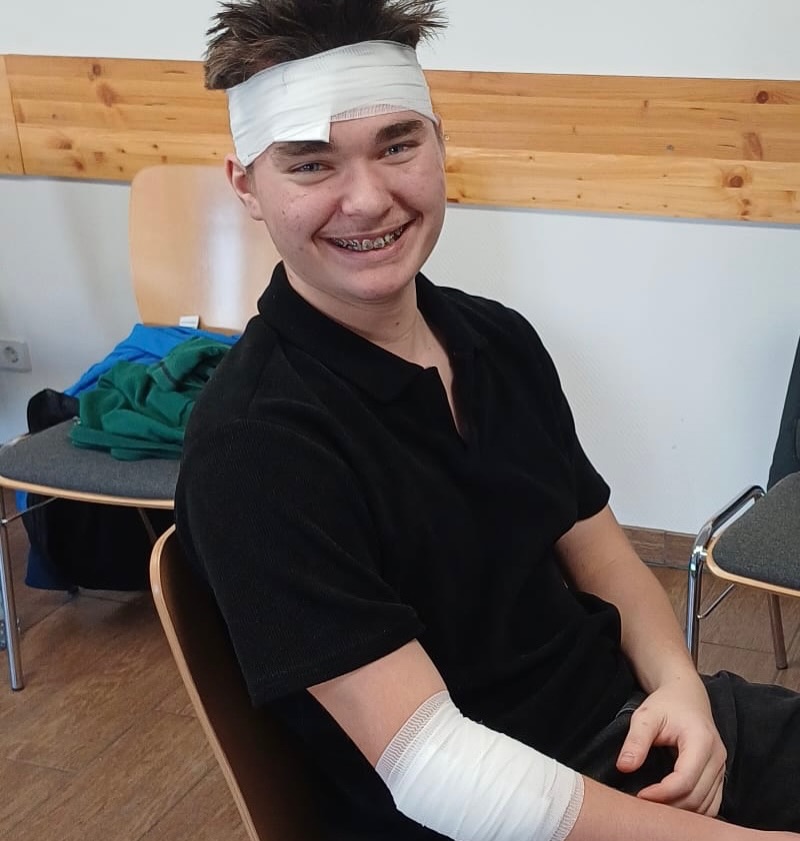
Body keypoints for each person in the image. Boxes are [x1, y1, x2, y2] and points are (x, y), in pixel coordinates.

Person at [175, 2, 800, 839]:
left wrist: (680, 688)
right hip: (486, 814)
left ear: (440, 144)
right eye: (311, 164)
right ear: (247, 186)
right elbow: (440, 769)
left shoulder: (496, 339)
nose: (368, 199)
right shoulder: (255, 447)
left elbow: (603, 554)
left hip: (629, 729)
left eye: (397, 145)